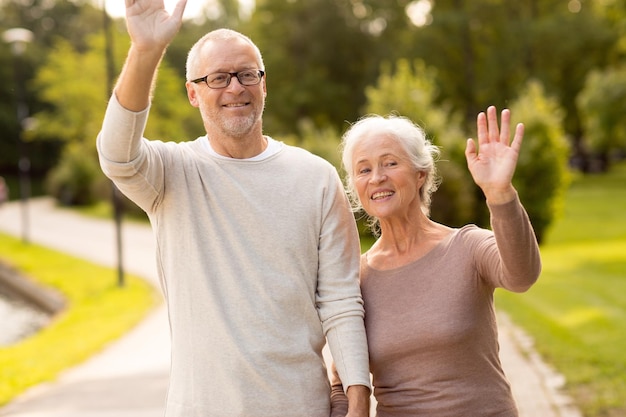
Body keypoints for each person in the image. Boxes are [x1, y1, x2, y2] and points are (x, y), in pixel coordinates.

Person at [96, 0, 370, 416]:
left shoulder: (316, 177)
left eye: (246, 75)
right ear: (193, 92)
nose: (235, 88)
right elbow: (116, 154)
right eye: (218, 78)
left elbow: (340, 299)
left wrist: (358, 394)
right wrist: (146, 50)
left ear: (265, 83)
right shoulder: (171, 174)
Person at [330, 107, 542, 416]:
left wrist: (500, 195)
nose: (377, 177)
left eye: (390, 163)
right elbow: (342, 378)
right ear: (356, 188)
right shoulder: (356, 278)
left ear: (421, 174)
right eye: (364, 170)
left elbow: (522, 275)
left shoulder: (466, 246)